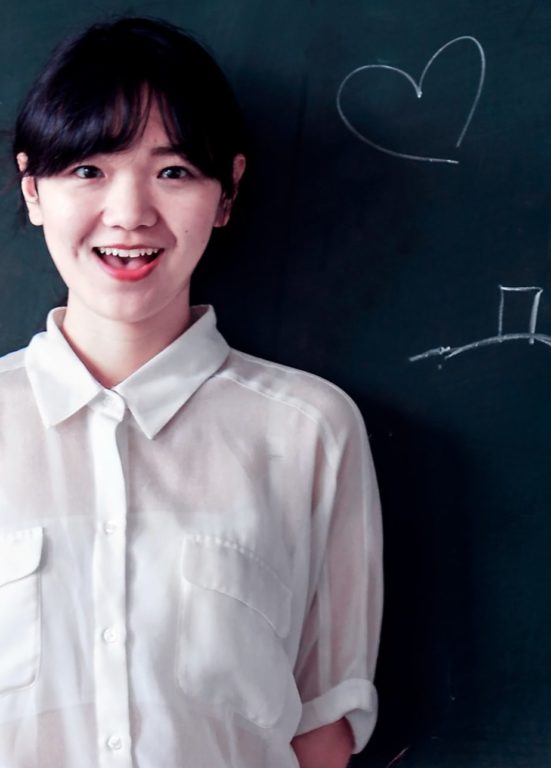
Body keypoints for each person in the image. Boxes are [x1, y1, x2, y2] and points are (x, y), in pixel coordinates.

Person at [0, 16, 382, 768]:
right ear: (33, 189)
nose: (130, 212)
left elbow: (323, 727)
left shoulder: (309, 432)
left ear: (227, 190)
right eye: (88, 170)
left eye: (173, 171)